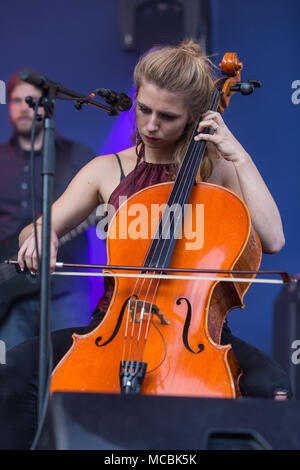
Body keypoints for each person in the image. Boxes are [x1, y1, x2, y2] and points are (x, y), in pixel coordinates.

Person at [0, 41, 292, 450]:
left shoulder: (218, 172)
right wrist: (42, 236)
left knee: (274, 388)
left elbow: (274, 239)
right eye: (144, 109)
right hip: (112, 325)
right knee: (16, 369)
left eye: (167, 116)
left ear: (193, 116)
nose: (150, 125)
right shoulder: (109, 169)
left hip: (199, 332)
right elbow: (38, 228)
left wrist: (238, 157)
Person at [0, 71, 95, 350]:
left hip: (65, 289)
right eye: (15, 100)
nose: (23, 107)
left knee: (69, 369)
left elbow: (103, 204)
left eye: (31, 100)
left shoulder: (79, 157)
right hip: (8, 293)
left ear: (47, 105)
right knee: (11, 379)